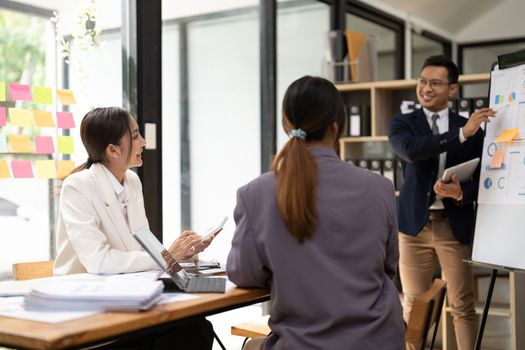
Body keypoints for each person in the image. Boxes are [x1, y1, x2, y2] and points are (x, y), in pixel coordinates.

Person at [227, 76, 405, 350]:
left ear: (286, 124)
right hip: (377, 341)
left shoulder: (255, 193)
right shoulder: (380, 188)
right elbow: (389, 266)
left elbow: (243, 274)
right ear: (338, 126)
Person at [54, 106, 214, 350]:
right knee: (188, 333)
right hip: (89, 313)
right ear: (112, 150)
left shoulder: (132, 181)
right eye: (136, 135)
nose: (144, 141)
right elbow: (98, 261)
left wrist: (184, 256)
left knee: (196, 326)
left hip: (130, 300)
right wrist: (167, 257)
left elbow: (143, 249)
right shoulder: (78, 186)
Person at [388, 55, 496, 350]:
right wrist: (460, 135)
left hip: (453, 224)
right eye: (423, 81)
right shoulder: (404, 123)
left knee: (462, 303)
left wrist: (461, 193)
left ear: (452, 89)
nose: (426, 88)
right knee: (414, 303)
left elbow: (485, 179)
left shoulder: (472, 128)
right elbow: (410, 151)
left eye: (435, 83)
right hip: (414, 228)